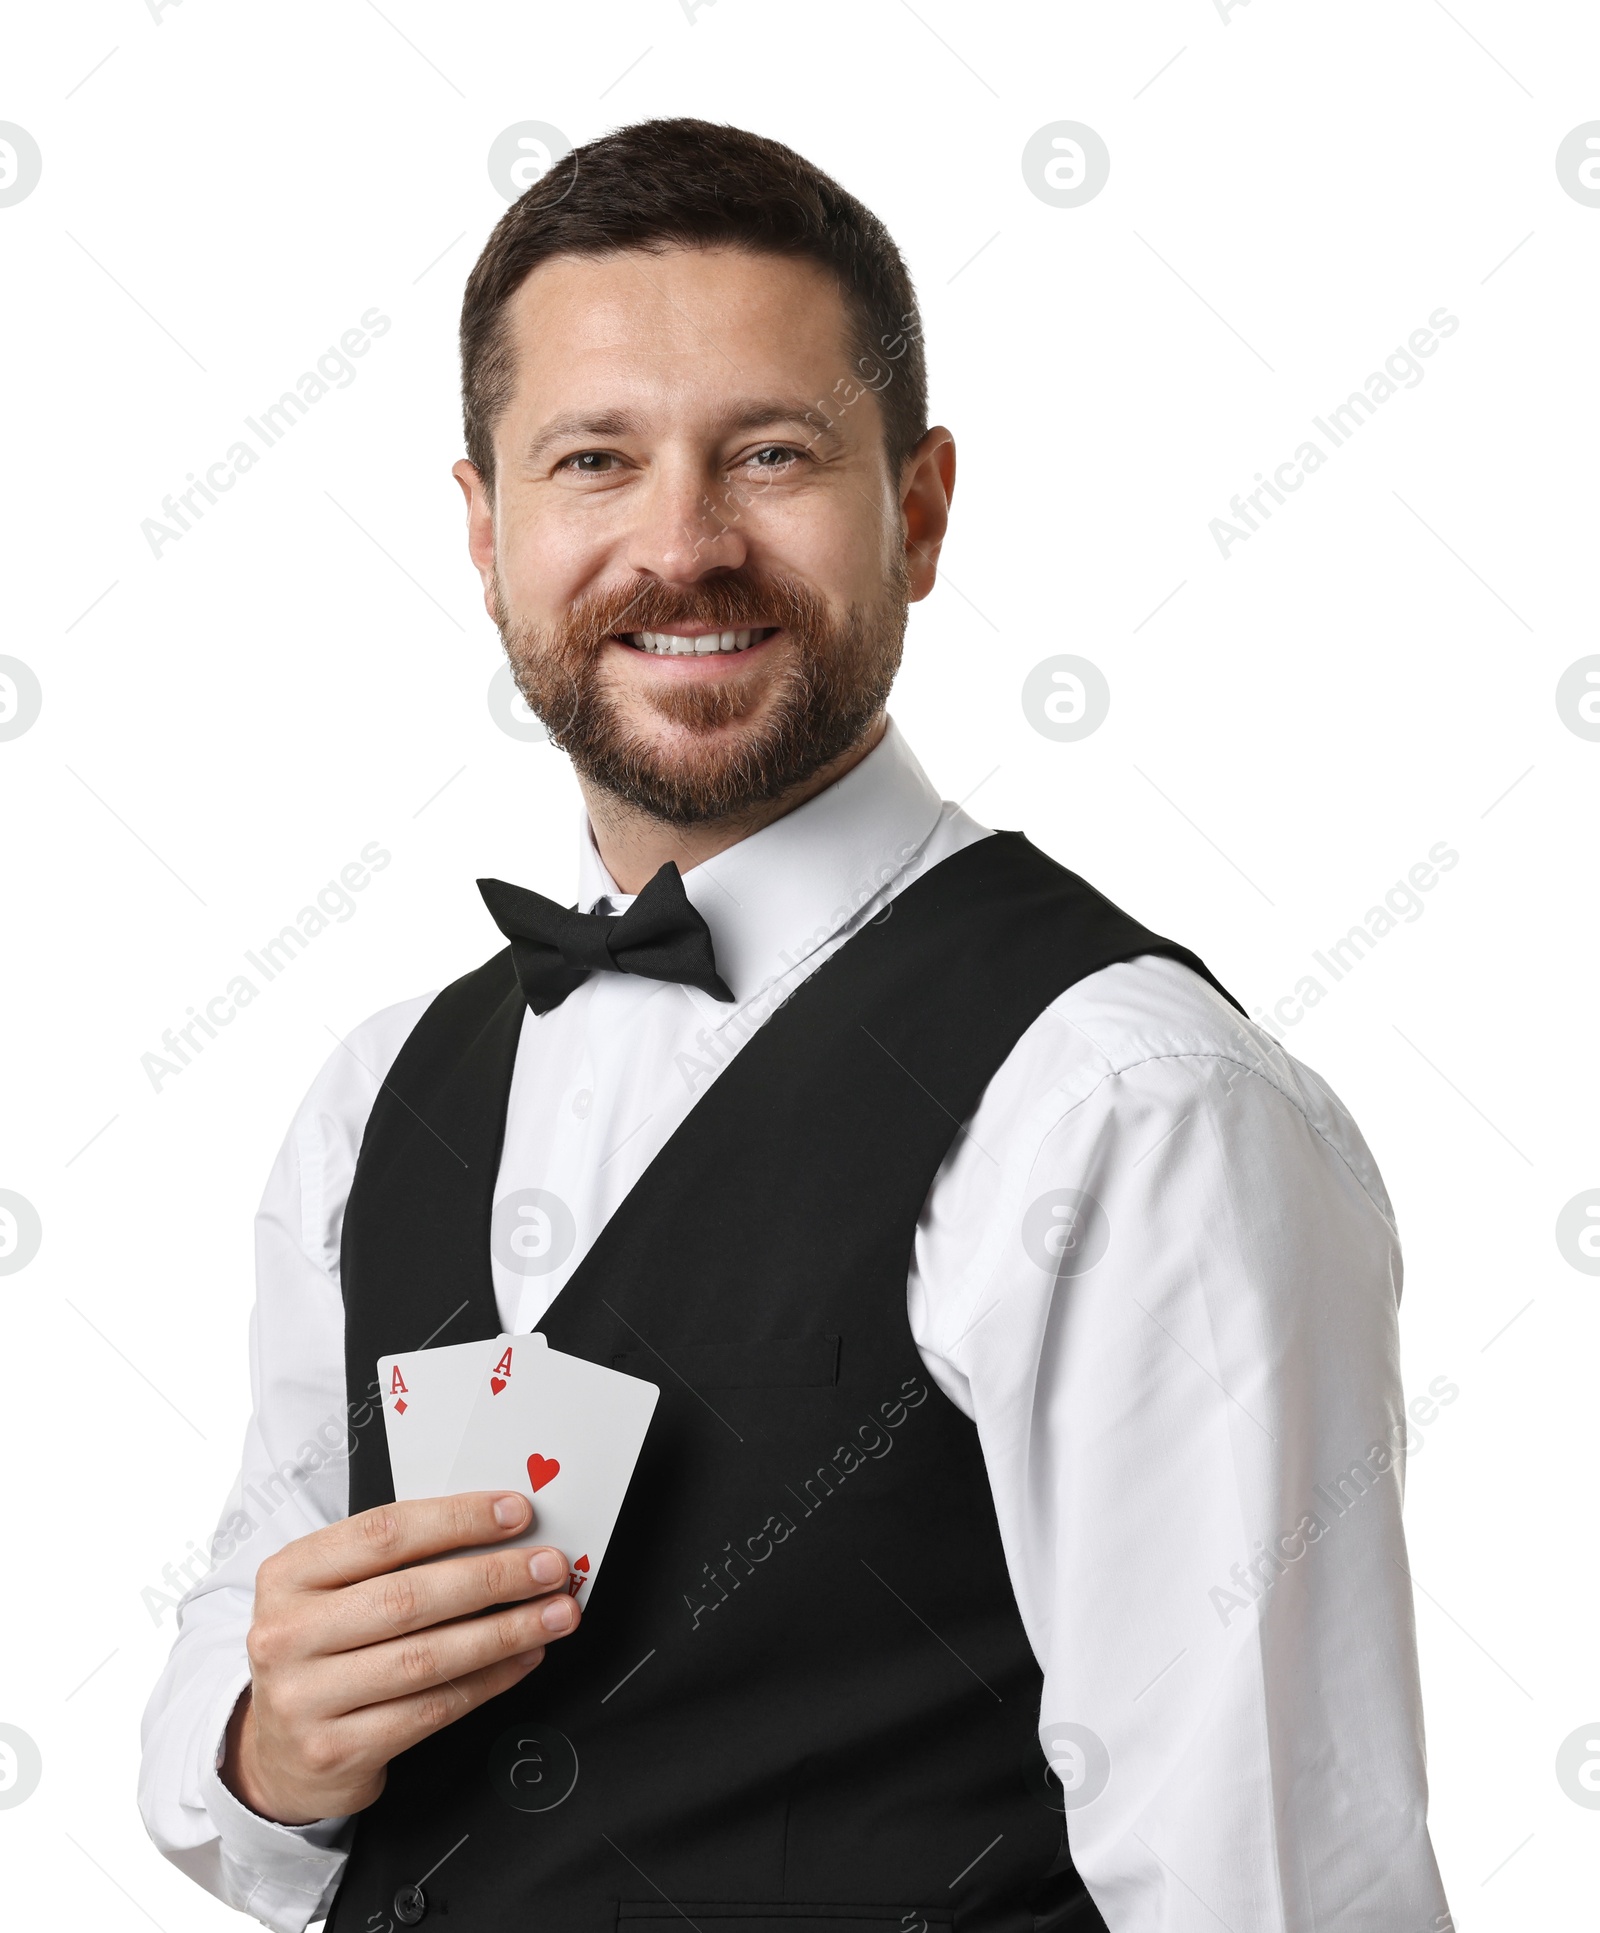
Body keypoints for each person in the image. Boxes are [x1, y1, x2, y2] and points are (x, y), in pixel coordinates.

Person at [139, 118, 1451, 1932]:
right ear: (485, 526)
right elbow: (241, 1742)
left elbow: (1281, 1893)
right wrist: (270, 1743)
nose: (681, 547)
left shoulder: (1125, 1102)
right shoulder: (382, 1094)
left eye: (769, 454)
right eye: (594, 460)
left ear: (917, 512)